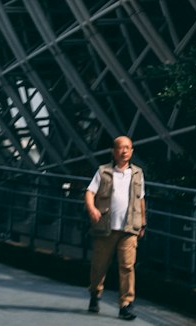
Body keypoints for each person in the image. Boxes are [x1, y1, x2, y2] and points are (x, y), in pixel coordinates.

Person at [84, 134, 146, 319]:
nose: (124, 151)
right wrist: (92, 209)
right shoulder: (103, 172)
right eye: (120, 147)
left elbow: (141, 199)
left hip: (129, 229)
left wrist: (143, 222)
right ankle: (95, 294)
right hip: (106, 227)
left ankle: (126, 304)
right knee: (99, 265)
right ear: (114, 151)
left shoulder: (137, 173)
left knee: (127, 266)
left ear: (132, 151)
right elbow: (89, 192)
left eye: (128, 147)